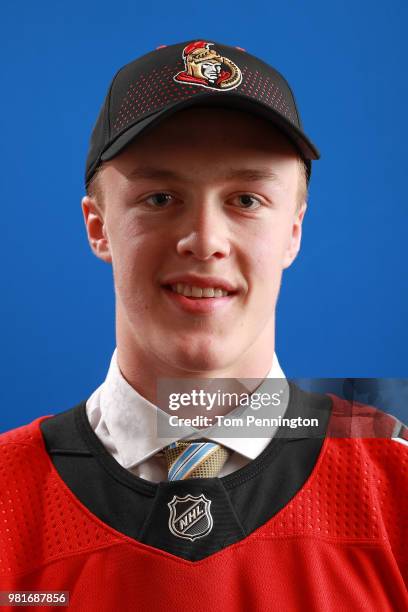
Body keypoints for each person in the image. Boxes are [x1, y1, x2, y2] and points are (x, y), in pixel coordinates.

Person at [0, 40, 407, 611]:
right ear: (98, 226)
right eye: (160, 197)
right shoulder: (6, 500)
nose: (206, 241)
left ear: (293, 230)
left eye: (245, 198)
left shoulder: (396, 484)